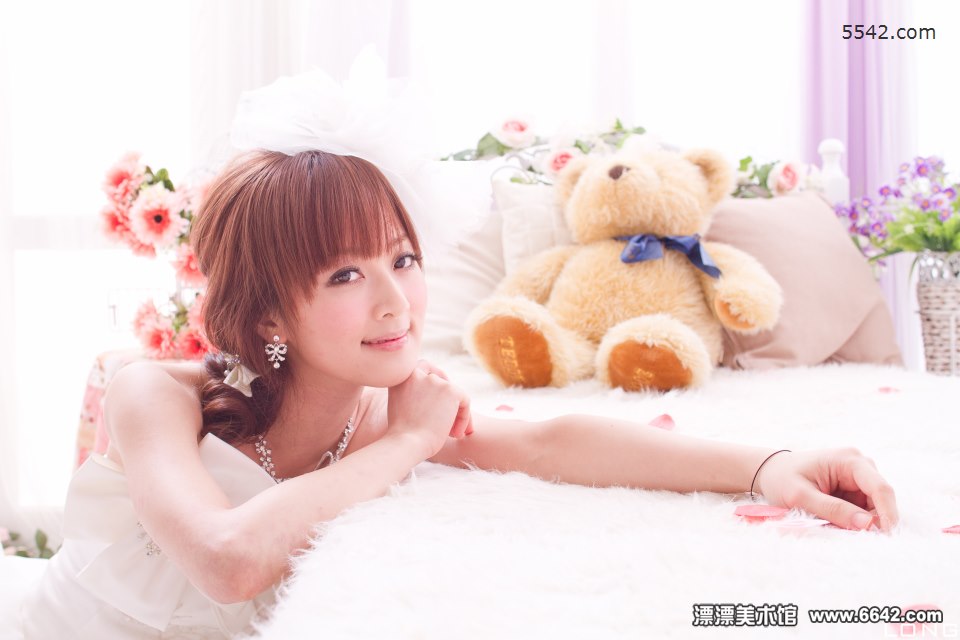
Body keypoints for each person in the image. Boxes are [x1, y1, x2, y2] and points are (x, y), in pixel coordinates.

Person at [19, 147, 899, 639]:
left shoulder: (394, 405)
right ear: (269, 310)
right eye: (344, 275)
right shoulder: (155, 394)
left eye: (402, 259)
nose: (396, 301)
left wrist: (769, 464)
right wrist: (409, 445)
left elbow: (551, 442)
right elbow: (227, 563)